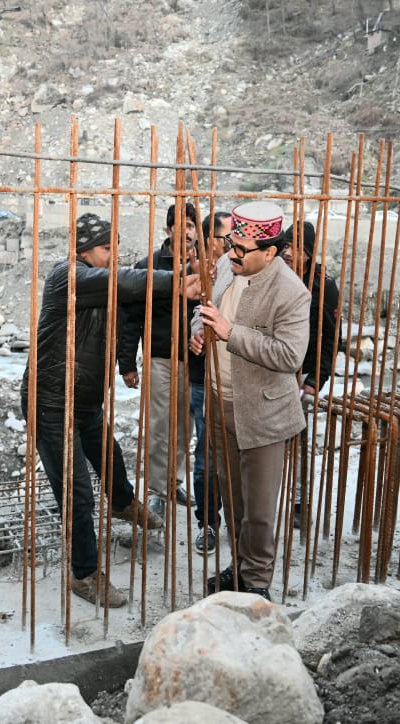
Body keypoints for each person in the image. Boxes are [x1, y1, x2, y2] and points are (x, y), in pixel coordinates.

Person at [21, 212, 202, 608]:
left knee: (110, 455)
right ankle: (84, 574)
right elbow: (120, 280)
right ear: (83, 249)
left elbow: (130, 297)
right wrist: (175, 280)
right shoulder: (66, 277)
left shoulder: (100, 282)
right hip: (51, 402)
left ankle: (122, 504)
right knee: (78, 493)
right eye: (107, 248)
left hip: (84, 399)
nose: (113, 255)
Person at [191, 201, 310, 600]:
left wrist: (229, 333)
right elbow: (206, 309)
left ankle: (257, 585)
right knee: (233, 499)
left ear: (271, 252)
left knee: (258, 510)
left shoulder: (292, 293)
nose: (230, 254)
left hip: (263, 411)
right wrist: (199, 329)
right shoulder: (228, 266)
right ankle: (240, 569)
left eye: (241, 248)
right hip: (221, 402)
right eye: (230, 243)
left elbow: (289, 356)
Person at [116, 203, 199, 519]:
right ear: (169, 230)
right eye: (180, 225)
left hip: (193, 361)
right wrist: (127, 363)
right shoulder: (148, 265)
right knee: (158, 426)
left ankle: (173, 482)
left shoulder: (203, 267)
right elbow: (131, 318)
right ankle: (154, 491)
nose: (186, 231)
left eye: (191, 225)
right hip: (160, 358)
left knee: (183, 427)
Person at [282, 221, 340, 529]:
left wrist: (317, 380)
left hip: (302, 374)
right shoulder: (272, 274)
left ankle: (300, 501)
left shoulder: (323, 284)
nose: (289, 254)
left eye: (297, 249)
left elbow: (330, 338)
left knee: (301, 441)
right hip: (273, 368)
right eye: (286, 246)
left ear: (310, 252)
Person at [189, 210, 233, 552]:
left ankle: (240, 522)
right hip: (205, 378)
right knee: (205, 454)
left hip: (240, 379)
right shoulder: (201, 270)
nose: (230, 243)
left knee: (238, 455)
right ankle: (208, 523)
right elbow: (198, 314)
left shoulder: (244, 268)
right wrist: (196, 333)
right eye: (223, 237)